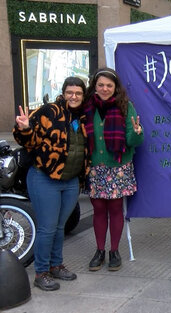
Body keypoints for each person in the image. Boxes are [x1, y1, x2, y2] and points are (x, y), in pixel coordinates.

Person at [13, 77, 89, 291]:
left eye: (78, 93)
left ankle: (56, 265)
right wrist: (25, 127)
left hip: (71, 180)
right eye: (69, 92)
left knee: (59, 227)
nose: (73, 96)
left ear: (83, 96)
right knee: (47, 228)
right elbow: (30, 142)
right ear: (63, 93)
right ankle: (41, 272)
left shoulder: (84, 117)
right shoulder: (49, 112)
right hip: (44, 177)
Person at [84, 67, 144, 271]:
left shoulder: (125, 106)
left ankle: (114, 251)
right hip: (94, 167)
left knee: (116, 208)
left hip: (117, 166)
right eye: (100, 85)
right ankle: (100, 251)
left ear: (115, 87)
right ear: (94, 86)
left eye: (109, 85)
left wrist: (136, 132)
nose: (105, 88)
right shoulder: (87, 106)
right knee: (99, 209)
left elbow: (132, 139)